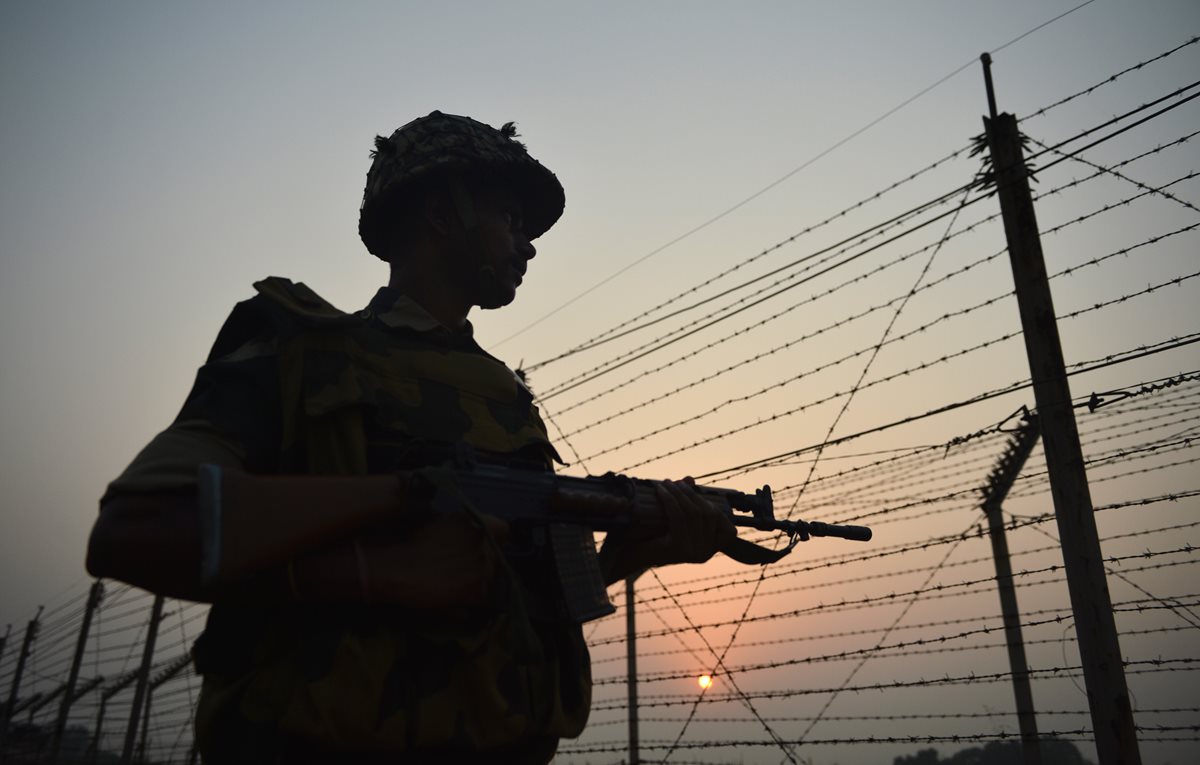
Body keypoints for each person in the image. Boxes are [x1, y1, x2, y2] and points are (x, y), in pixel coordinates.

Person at [86, 111, 736, 763]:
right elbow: (138, 527)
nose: (528, 243)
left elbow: (522, 597)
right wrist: (380, 555)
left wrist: (627, 555)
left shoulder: (506, 397)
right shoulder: (300, 351)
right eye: (510, 218)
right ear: (440, 213)